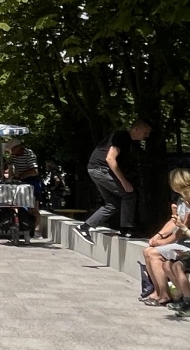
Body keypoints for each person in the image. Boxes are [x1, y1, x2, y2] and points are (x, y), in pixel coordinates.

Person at [78, 120, 153, 240]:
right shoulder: (122, 136)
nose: (147, 136)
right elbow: (110, 159)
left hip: (95, 170)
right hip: (101, 169)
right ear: (136, 129)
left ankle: (85, 227)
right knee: (129, 194)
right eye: (145, 132)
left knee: (112, 204)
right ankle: (126, 230)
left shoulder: (127, 140)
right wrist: (124, 182)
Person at [141, 167, 190, 308]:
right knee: (148, 251)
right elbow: (173, 221)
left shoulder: (188, 199)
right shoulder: (181, 198)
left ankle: (164, 295)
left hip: (186, 242)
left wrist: (162, 242)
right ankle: (158, 291)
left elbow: (182, 229)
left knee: (153, 253)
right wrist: (158, 235)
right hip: (182, 239)